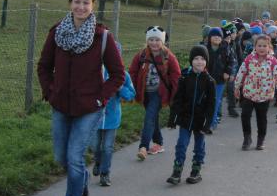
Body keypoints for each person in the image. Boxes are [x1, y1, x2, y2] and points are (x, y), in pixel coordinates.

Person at [37, 0, 125, 196]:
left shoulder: (102, 37)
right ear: (70, 3)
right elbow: (43, 67)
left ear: (92, 6)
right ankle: (82, 180)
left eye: (86, 2)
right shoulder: (57, 33)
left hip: (89, 108)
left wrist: (100, 98)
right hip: (61, 104)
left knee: (74, 156)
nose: (81, 6)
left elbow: (118, 74)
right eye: (77, 1)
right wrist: (50, 92)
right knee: (61, 156)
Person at [129, 26, 181, 161]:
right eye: (151, 40)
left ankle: (143, 147)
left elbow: (176, 76)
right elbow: (132, 72)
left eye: (157, 40)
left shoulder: (169, 56)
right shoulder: (141, 55)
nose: (154, 43)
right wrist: (131, 89)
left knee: (149, 117)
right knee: (153, 118)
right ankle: (159, 143)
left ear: (162, 41)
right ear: (147, 40)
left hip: (159, 93)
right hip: (144, 92)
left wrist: (175, 96)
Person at [166, 45, 216, 185]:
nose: (199, 62)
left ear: (206, 61)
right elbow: (177, 100)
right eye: (196, 58)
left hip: (201, 121)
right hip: (185, 119)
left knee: (199, 147)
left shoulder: (210, 81)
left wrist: (207, 124)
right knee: (181, 145)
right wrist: (173, 119)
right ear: (191, 61)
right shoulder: (184, 78)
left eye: (202, 59)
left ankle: (196, 170)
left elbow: (211, 105)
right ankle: (177, 171)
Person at [92, 48, 135, 186]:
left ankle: (105, 174)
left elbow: (131, 95)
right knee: (95, 146)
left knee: (107, 147)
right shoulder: (93, 72)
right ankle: (98, 162)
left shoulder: (123, 75)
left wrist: (120, 88)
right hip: (94, 117)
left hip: (112, 118)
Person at [234, 34, 277, 151]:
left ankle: (260, 140)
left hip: (264, 95)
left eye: (264, 46)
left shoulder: (273, 62)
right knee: (245, 115)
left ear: (269, 47)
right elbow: (241, 72)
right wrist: (236, 87)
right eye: (259, 45)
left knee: (261, 118)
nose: (262, 48)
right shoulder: (249, 59)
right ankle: (247, 138)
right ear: (255, 47)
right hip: (249, 93)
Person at [205, 27, 237, 130]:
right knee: (207, 100)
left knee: (215, 101)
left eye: (219, 36)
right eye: (214, 35)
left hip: (219, 79)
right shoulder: (205, 48)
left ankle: (212, 123)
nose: (217, 37)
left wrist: (227, 72)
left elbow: (231, 61)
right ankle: (206, 120)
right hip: (206, 79)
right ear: (209, 37)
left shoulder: (226, 48)